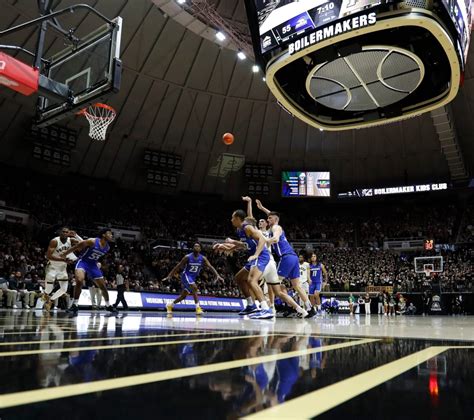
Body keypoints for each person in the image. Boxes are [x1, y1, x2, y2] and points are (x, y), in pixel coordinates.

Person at [255, 200, 316, 318]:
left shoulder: (276, 227)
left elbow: (276, 237)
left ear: (275, 220)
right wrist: (262, 208)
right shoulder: (274, 224)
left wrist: (267, 241)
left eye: (269, 218)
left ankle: (270, 307)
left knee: (272, 282)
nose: (268, 220)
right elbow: (273, 216)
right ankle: (310, 308)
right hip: (293, 258)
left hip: (286, 257)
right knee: (296, 285)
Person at [216, 210, 278, 319]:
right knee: (239, 278)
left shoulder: (247, 227)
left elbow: (262, 240)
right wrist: (226, 246)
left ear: (238, 218)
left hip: (261, 256)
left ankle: (265, 309)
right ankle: (251, 305)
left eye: (232, 218)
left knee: (252, 281)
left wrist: (256, 255)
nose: (231, 220)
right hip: (255, 257)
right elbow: (244, 244)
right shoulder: (239, 230)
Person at [60, 228, 117, 315]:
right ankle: (75, 305)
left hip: (93, 265)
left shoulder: (107, 247)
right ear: (103, 235)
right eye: (109, 233)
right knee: (79, 280)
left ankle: (108, 305)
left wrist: (100, 264)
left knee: (103, 287)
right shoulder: (92, 241)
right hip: (83, 262)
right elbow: (77, 246)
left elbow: (97, 255)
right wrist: (64, 254)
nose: (111, 235)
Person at [165, 243, 223, 315]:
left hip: (192, 278)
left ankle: (170, 305)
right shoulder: (187, 257)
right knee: (195, 287)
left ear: (200, 249)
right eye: (195, 246)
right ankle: (198, 308)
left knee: (183, 296)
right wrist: (170, 275)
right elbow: (178, 266)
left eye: (198, 246)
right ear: (193, 248)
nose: (196, 247)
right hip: (185, 276)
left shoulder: (203, 258)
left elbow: (210, 267)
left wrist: (217, 275)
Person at [43, 227, 80, 312]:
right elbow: (48, 256)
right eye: (63, 232)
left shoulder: (71, 240)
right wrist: (63, 260)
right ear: (60, 232)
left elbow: (83, 243)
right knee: (48, 289)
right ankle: (45, 294)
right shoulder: (55, 241)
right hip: (52, 267)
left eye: (67, 232)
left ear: (68, 233)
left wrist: (76, 235)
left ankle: (50, 301)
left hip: (62, 268)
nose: (64, 233)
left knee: (64, 289)